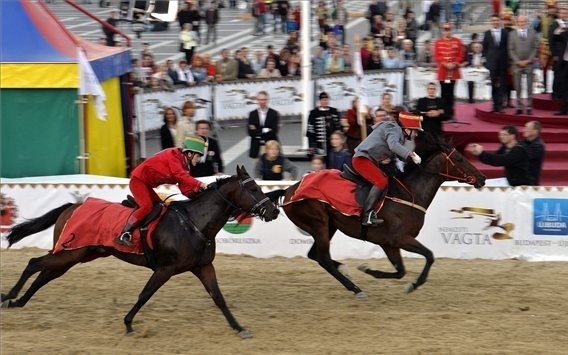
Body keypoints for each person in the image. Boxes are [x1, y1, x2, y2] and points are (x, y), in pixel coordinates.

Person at [116, 136, 208, 246]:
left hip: (146, 185)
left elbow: (185, 190)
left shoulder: (185, 167)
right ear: (189, 154)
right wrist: (199, 184)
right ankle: (125, 233)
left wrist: (200, 195)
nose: (199, 160)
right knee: (147, 207)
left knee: (161, 206)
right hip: (138, 181)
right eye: (198, 156)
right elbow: (178, 174)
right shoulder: (174, 155)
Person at [353, 112, 423, 226]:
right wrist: (411, 154)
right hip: (361, 160)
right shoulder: (394, 128)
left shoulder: (398, 134)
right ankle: (367, 215)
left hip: (368, 160)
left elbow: (393, 149)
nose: (416, 134)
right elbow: (393, 146)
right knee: (381, 181)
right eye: (415, 131)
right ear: (407, 129)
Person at [467, 125, 533, 186]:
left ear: (512, 136)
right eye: (500, 135)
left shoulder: (519, 150)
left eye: (504, 135)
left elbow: (501, 160)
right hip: (511, 181)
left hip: (522, 185)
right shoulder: (505, 147)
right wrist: (479, 154)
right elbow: (494, 159)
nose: (501, 137)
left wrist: (481, 153)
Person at [434, 22, 465, 121]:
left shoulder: (458, 41)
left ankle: (451, 113)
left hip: (454, 71)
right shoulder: (438, 42)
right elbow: (437, 56)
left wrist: (455, 63)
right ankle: (444, 114)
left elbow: (461, 55)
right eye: (445, 29)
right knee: (443, 93)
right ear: (442, 31)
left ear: (452, 30)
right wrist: (445, 64)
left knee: (451, 93)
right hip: (443, 71)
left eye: (449, 29)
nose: (447, 31)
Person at [508, 15, 538, 115]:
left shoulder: (533, 33)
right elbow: (510, 50)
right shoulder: (512, 34)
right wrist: (517, 61)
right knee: (518, 86)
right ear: (517, 23)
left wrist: (529, 60)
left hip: (529, 64)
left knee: (529, 86)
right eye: (520, 22)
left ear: (527, 22)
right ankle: (519, 106)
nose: (522, 24)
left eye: (524, 22)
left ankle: (529, 106)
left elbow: (535, 48)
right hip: (517, 65)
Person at [306, 92, 342, 167]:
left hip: (333, 145)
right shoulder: (314, 113)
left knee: (333, 165)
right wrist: (312, 147)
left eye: (326, 100)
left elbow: (339, 128)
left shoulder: (334, 112)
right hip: (319, 146)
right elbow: (310, 131)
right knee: (319, 166)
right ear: (320, 101)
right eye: (323, 100)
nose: (325, 101)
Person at [482, 13, 509, 112]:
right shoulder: (487, 33)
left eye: (497, 20)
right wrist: (486, 60)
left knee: (502, 84)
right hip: (492, 63)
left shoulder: (505, 33)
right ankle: (494, 104)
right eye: (493, 20)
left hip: (503, 62)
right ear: (491, 22)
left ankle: (501, 105)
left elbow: (507, 47)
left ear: (500, 21)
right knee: (493, 84)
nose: (495, 22)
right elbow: (484, 48)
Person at [247, 91, 280, 162]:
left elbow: (274, 131)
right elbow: (250, 132)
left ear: (267, 100)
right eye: (260, 100)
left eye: (264, 100)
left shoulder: (274, 114)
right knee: (257, 171)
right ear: (257, 100)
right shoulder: (252, 114)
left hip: (271, 148)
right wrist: (264, 130)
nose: (262, 102)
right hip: (256, 148)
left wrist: (258, 131)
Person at [552, 7, 568, 115]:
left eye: (566, 13)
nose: (564, 14)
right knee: (564, 85)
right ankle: (563, 109)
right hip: (565, 60)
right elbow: (554, 40)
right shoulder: (557, 26)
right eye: (562, 13)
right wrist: (557, 33)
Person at [521, 121, 546, 185]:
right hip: (521, 180)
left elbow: (522, 157)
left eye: (527, 128)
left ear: (535, 131)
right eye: (525, 127)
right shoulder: (524, 142)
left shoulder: (538, 146)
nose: (524, 130)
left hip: (530, 183)